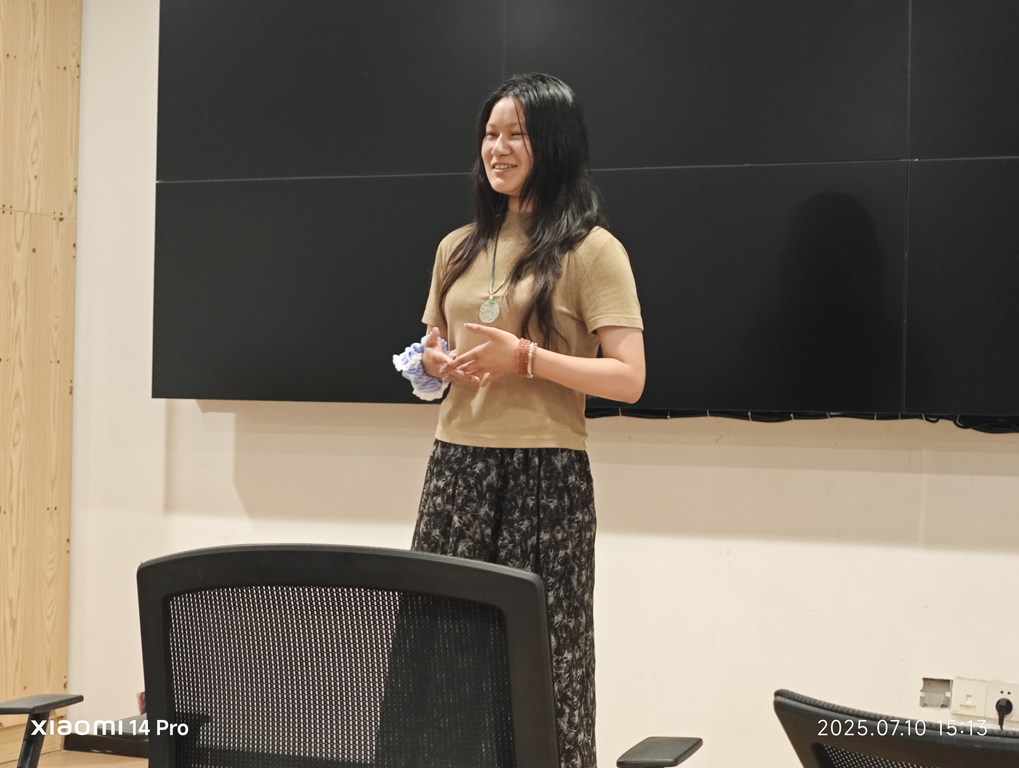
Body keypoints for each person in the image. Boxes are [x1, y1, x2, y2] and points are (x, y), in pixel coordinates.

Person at [412, 72, 644, 768]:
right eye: (490, 133)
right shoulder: (455, 247)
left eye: (516, 134)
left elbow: (629, 378)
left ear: (554, 143)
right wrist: (432, 364)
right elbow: (430, 350)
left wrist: (527, 359)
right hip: (455, 468)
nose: (498, 148)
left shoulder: (591, 250)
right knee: (442, 653)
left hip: (545, 476)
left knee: (542, 655)